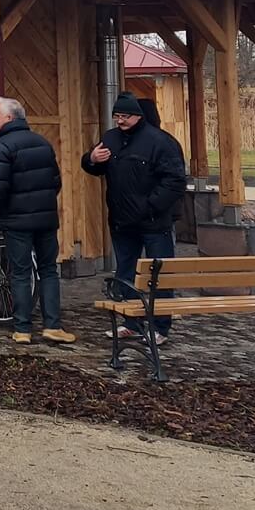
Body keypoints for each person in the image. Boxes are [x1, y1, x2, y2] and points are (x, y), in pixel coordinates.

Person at [85, 90, 189, 344]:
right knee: (126, 273)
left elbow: (175, 181)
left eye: (125, 116)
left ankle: (160, 327)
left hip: (154, 222)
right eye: (117, 116)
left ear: (138, 116)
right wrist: (91, 159)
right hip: (122, 221)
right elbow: (94, 167)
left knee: (158, 275)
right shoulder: (110, 138)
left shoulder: (160, 142)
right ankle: (131, 323)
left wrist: (151, 206)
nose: (120, 121)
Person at [0, 97, 75, 345]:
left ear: (9, 118)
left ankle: (23, 329)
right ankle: (52, 326)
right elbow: (56, 182)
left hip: (17, 222)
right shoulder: (42, 143)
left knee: (21, 274)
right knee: (48, 270)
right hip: (46, 220)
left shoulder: (3, 146)